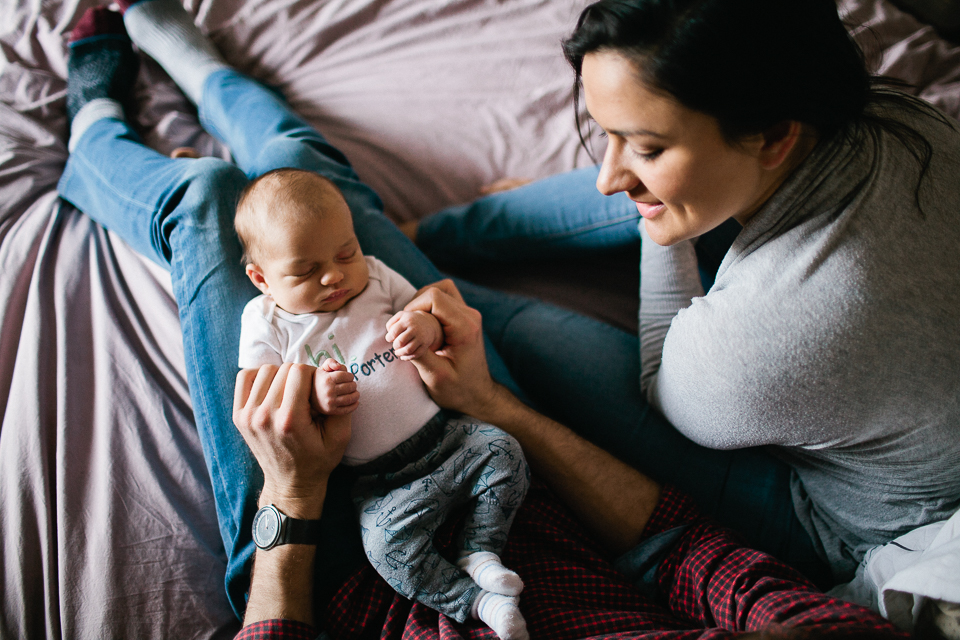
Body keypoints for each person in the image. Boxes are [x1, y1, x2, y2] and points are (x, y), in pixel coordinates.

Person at [407, 0, 960, 588]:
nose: (606, 175)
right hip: (882, 392)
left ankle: (392, 243)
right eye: (605, 135)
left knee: (506, 325)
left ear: (775, 134)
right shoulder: (902, 118)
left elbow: (658, 381)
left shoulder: (762, 338)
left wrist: (658, 221)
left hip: (858, 525)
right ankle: (430, 232)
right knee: (667, 194)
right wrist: (656, 197)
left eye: (645, 147)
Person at [234, 169, 530, 639]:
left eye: (345, 252)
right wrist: (316, 395)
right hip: (382, 484)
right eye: (305, 271)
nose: (334, 274)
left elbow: (425, 307)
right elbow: (261, 396)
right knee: (385, 547)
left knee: (506, 451)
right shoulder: (266, 320)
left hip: (450, 437)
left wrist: (426, 328)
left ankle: (480, 550)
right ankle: (473, 602)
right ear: (261, 279)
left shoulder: (372, 273)